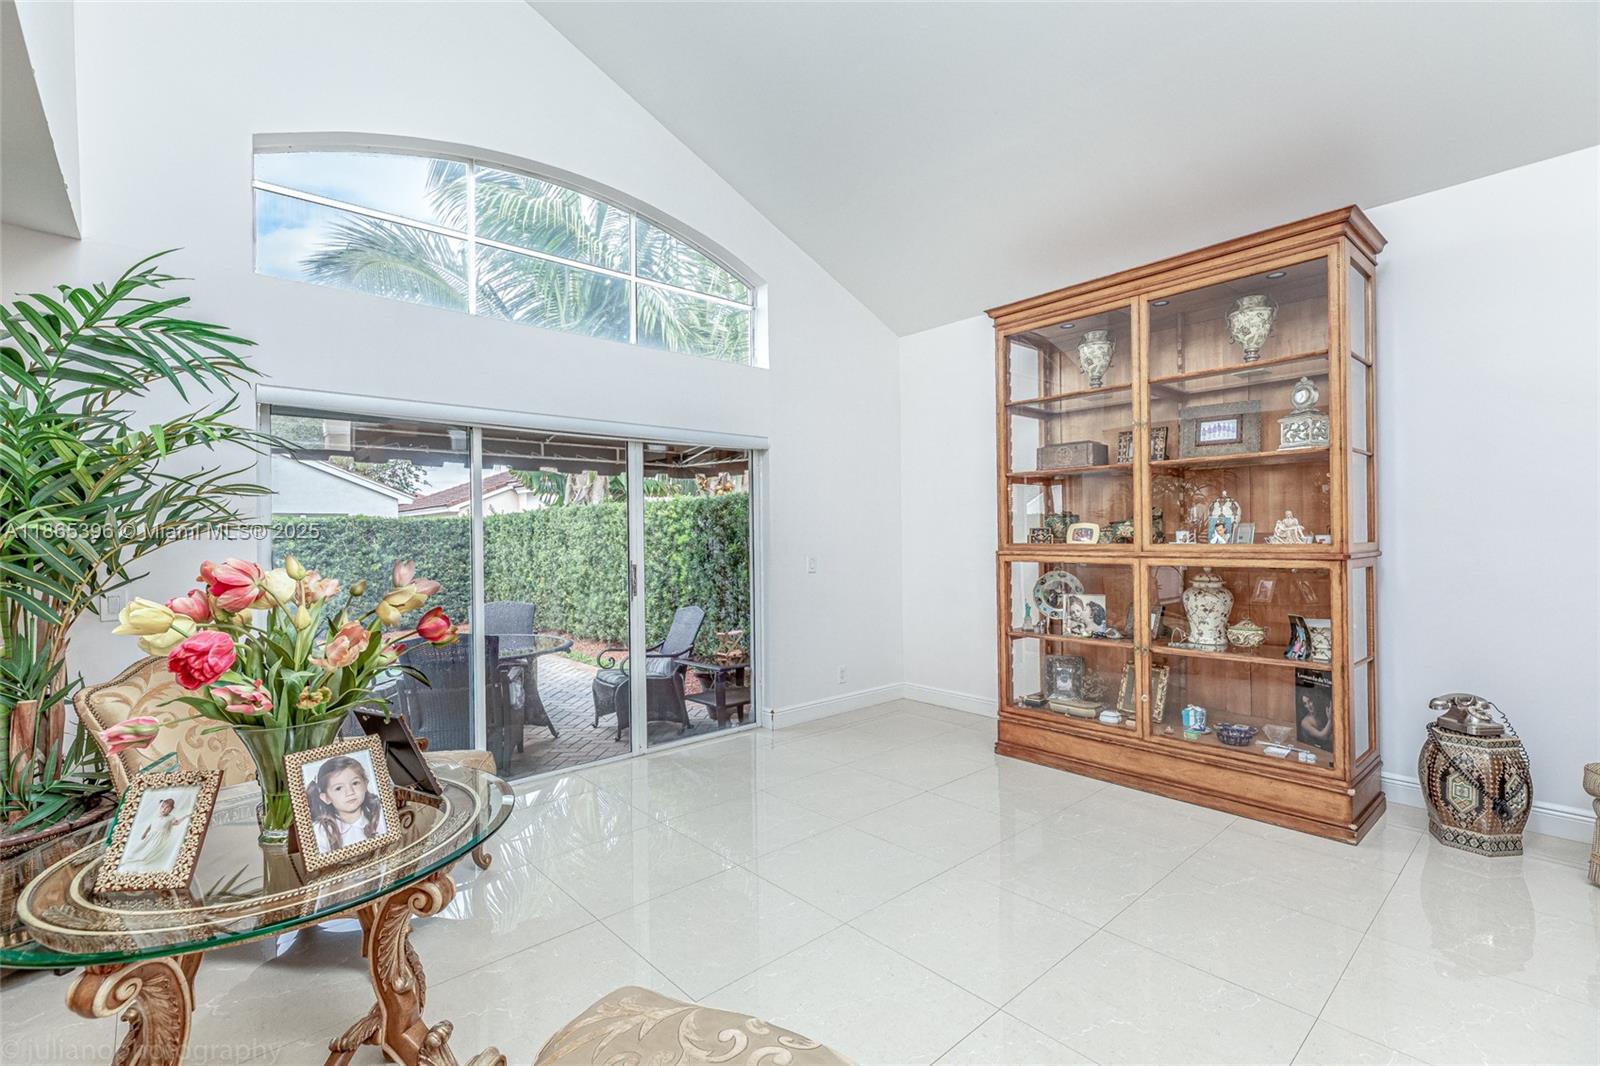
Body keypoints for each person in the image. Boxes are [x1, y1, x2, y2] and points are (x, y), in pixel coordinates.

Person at [309, 755, 385, 853]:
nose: (350, 792)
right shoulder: (320, 830)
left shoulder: (380, 816)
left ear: (366, 784)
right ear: (326, 798)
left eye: (355, 783)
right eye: (338, 788)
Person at [120, 795, 191, 873]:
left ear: (171, 810)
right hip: (152, 834)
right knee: (142, 845)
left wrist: (185, 817)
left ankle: (145, 858)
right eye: (162, 807)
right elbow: (151, 825)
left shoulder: (171, 818)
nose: (164, 809)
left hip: (160, 837)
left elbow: (176, 823)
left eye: (167, 808)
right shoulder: (157, 815)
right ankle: (132, 856)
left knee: (151, 849)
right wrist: (145, 832)